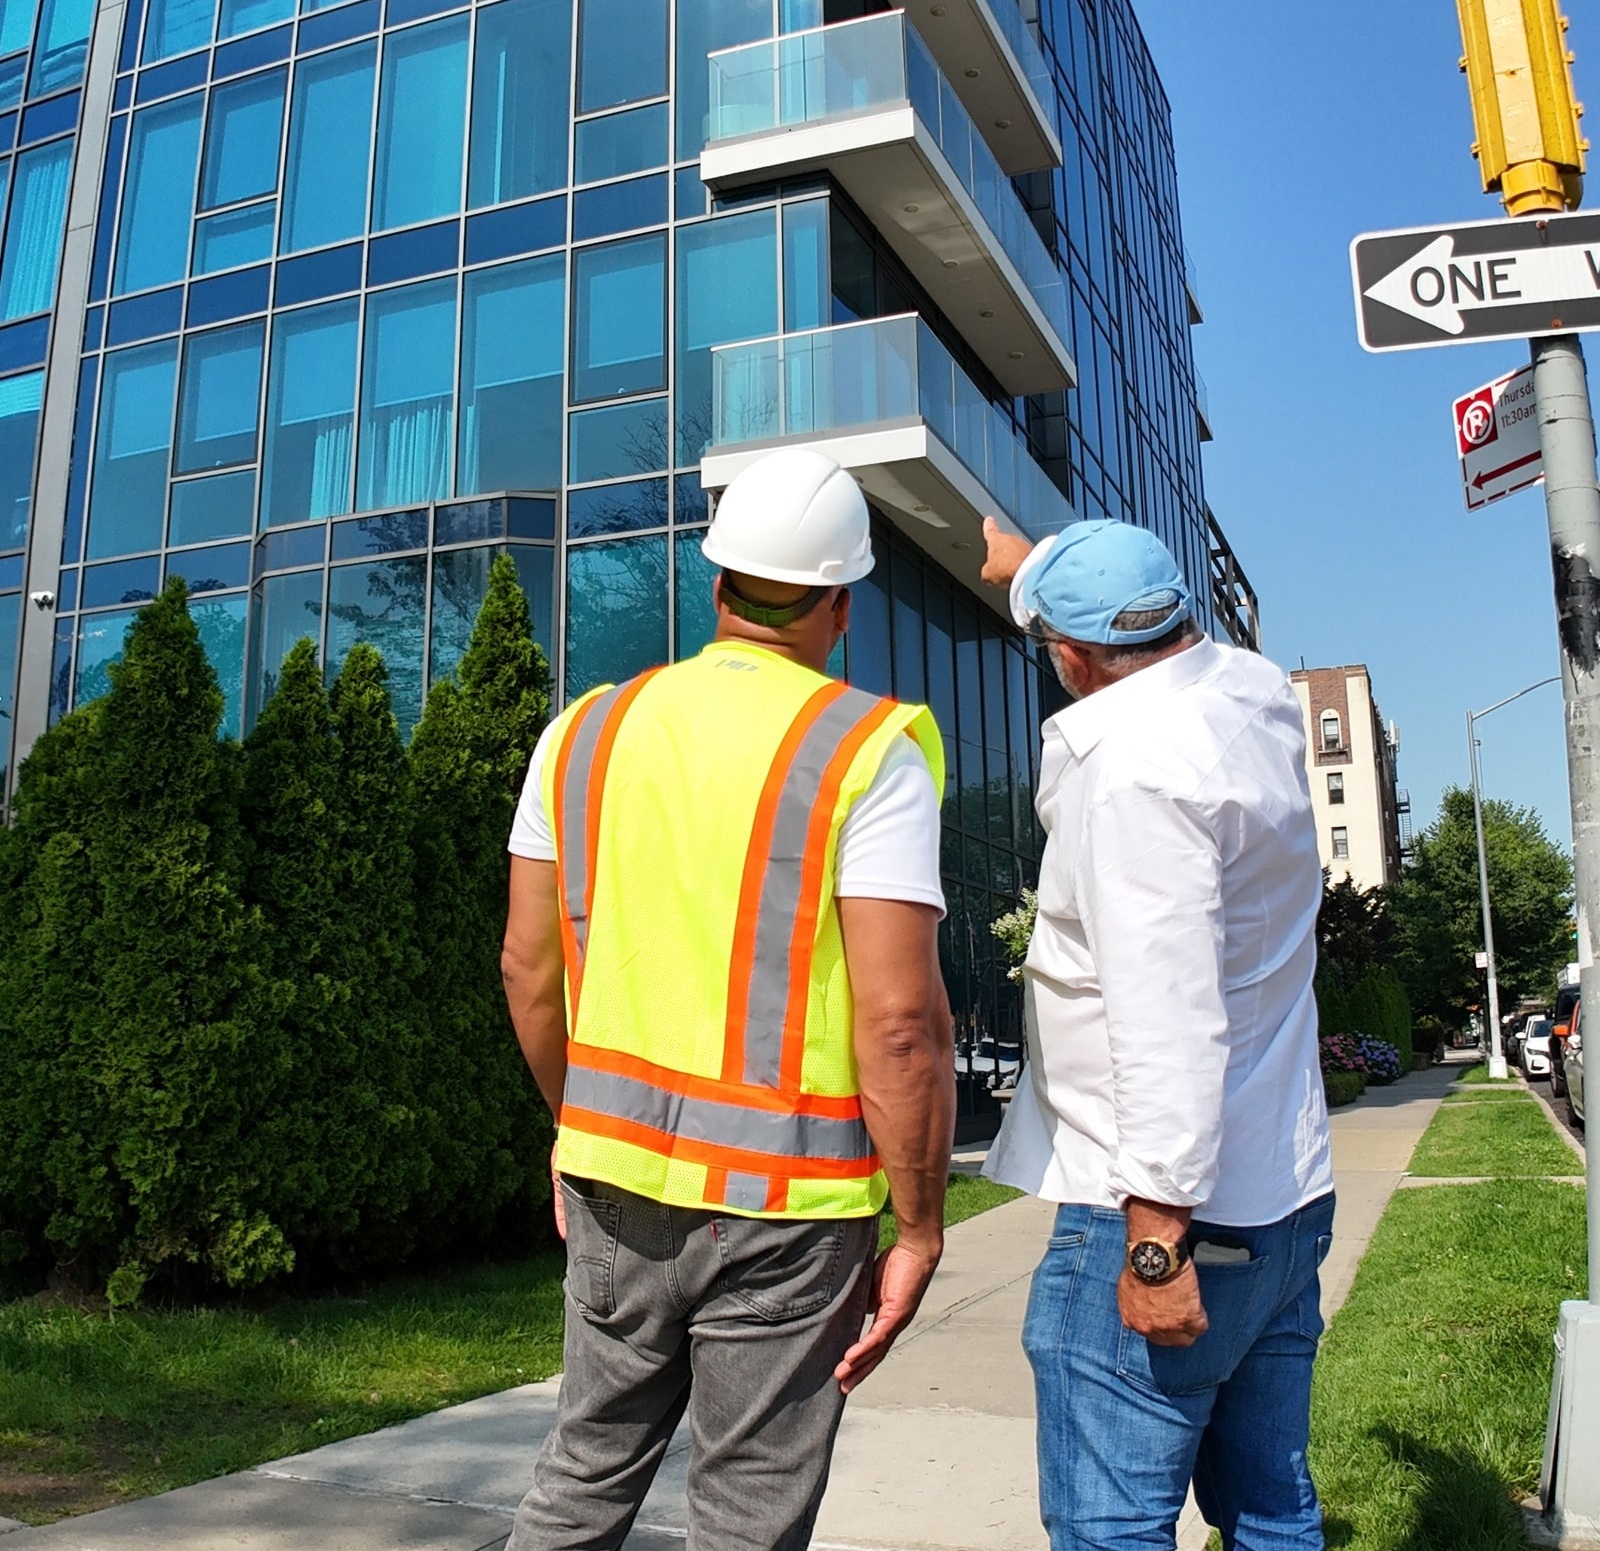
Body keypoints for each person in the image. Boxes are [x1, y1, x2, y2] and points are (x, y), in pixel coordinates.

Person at [500, 446, 956, 1551]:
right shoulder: (867, 749)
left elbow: (527, 968)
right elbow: (902, 1025)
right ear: (839, 607)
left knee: (579, 1483)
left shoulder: (583, 733)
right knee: (746, 1524)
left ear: (716, 586)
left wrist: (576, 1127)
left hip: (610, 1187)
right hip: (788, 1214)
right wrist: (920, 1222)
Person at [979, 517, 1335, 1551]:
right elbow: (1112, 605)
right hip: (1281, 1198)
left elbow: (1167, 1019)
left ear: (1075, 659)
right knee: (1273, 1512)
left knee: (1113, 1530)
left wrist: (1152, 1248)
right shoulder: (1250, 695)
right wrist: (1030, 565)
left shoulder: (1133, 775)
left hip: (1167, 1214)